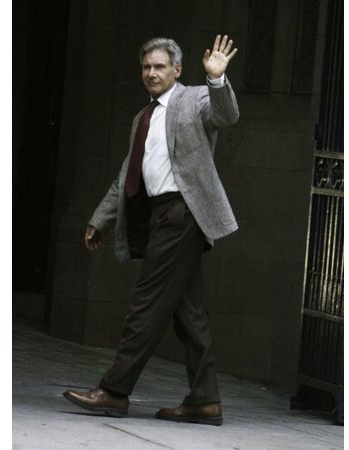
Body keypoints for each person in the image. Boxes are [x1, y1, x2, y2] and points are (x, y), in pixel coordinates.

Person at [63, 34, 239, 426]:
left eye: (159, 66)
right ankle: (205, 400)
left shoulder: (194, 98)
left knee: (146, 302)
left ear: (177, 70)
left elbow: (225, 116)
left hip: (182, 213)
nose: (151, 73)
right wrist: (100, 218)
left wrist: (216, 78)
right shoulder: (142, 118)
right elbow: (128, 174)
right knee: (188, 313)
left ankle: (114, 391)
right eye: (146, 67)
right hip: (161, 215)